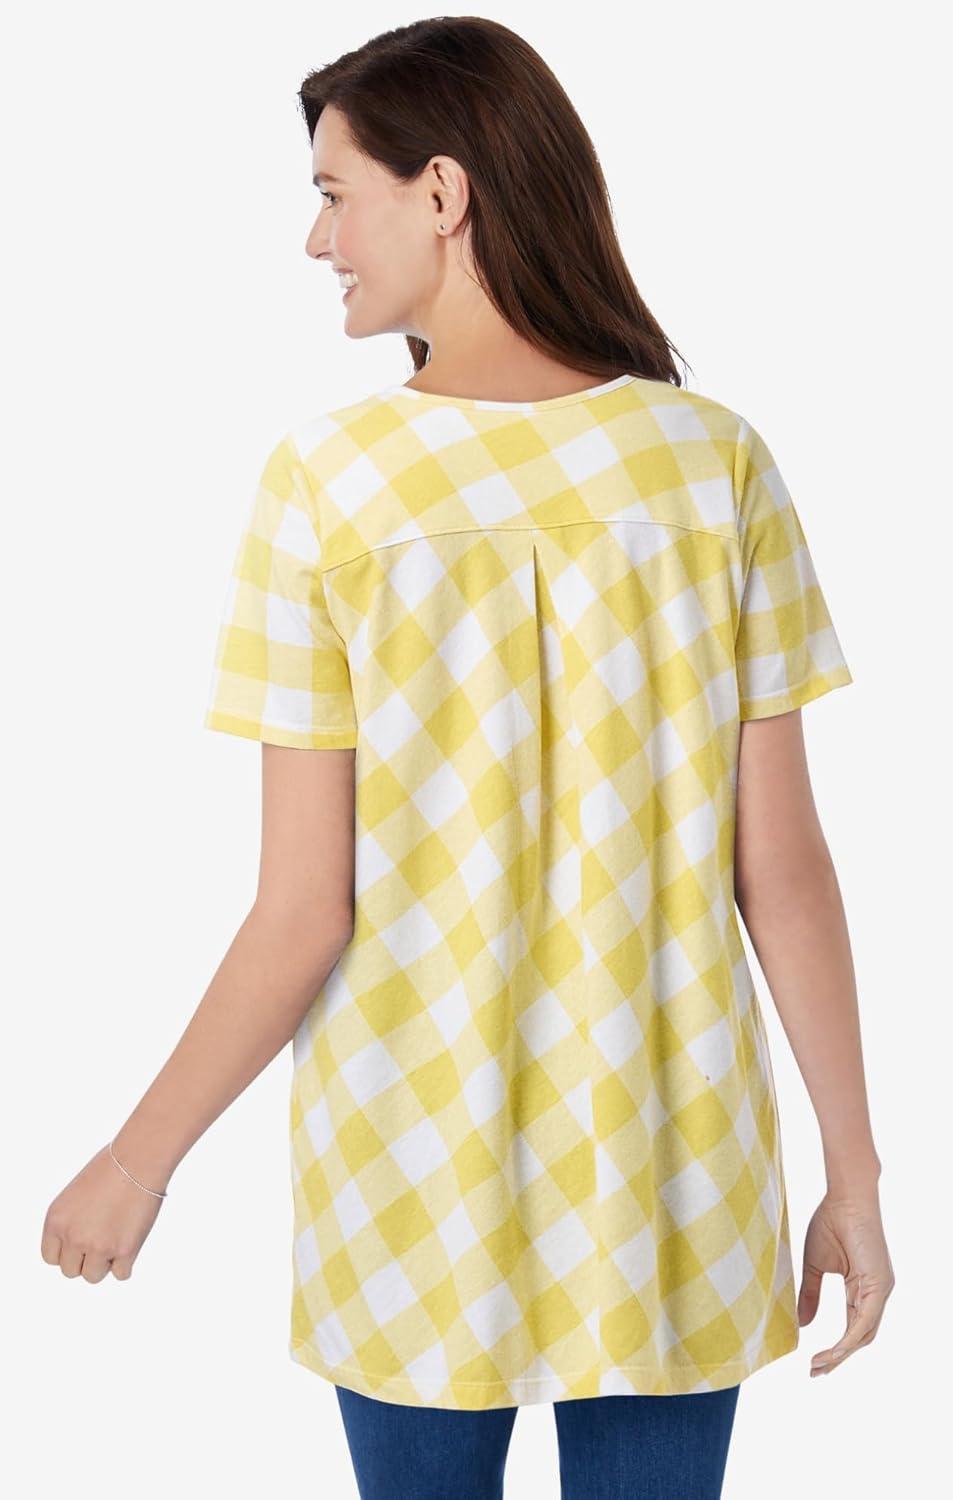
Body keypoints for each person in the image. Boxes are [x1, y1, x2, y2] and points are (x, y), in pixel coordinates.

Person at [40, 16, 894, 1499]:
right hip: (672, 1172)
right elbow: (786, 869)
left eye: (332, 193)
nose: (315, 239)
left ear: (439, 192)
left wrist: (135, 1158)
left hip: (407, 1177)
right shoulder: (713, 464)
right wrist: (852, 1171)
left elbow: (302, 911)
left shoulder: (329, 483)